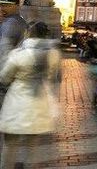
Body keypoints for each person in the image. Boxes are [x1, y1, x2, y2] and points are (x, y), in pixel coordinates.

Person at [0, 21, 61, 168]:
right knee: (33, 146)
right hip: (40, 102)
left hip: (17, 103)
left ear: (28, 33)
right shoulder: (53, 54)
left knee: (10, 144)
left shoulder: (18, 54)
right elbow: (52, 76)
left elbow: (4, 77)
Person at [0, 0, 27, 69]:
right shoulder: (17, 20)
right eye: (1, 5)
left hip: (6, 68)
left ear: (17, 7)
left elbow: (4, 50)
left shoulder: (12, 23)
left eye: (8, 6)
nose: (3, 8)